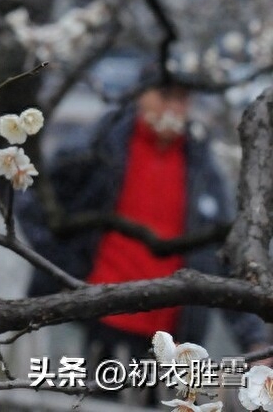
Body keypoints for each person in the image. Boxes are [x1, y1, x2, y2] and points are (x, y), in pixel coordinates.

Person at [18, 69, 267, 371]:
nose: (173, 108)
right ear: (140, 95)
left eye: (181, 100)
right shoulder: (98, 148)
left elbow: (225, 253)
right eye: (164, 96)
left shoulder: (202, 170)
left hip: (171, 332)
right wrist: (63, 265)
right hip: (105, 311)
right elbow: (35, 200)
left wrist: (254, 339)